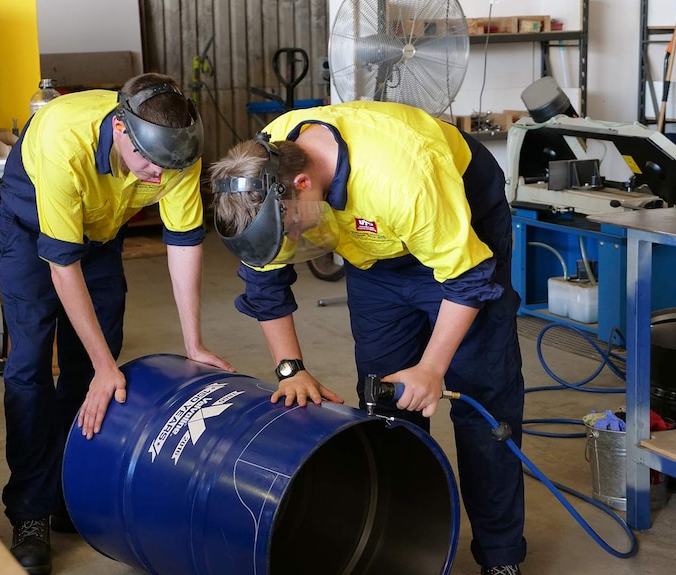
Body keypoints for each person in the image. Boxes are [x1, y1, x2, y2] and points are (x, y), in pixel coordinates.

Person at [209, 100, 526, 575]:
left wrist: (433, 367)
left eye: (291, 229)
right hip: (374, 258)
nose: (291, 241)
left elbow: (466, 278)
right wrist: (290, 369)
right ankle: (404, 544)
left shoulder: (400, 175)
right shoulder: (261, 173)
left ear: (303, 184)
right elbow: (264, 281)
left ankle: (500, 556)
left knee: (482, 399)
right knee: (385, 403)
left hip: (460, 231)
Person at [0, 72, 234, 575]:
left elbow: (184, 243)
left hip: (102, 229)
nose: (156, 175)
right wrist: (109, 365)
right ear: (123, 131)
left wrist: (194, 343)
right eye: (148, 161)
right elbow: (63, 267)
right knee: (31, 362)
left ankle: (68, 489)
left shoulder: (173, 152)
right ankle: (30, 512)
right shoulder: (66, 141)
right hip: (30, 221)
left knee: (89, 375)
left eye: (167, 166)